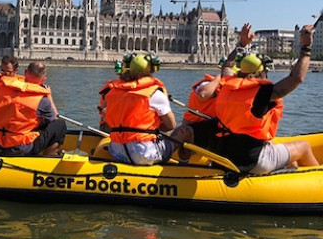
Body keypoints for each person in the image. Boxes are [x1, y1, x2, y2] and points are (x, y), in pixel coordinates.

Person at [214, 23, 319, 174]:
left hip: (225, 154)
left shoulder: (227, 84)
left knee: (290, 157)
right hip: (253, 160)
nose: (266, 75)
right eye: (264, 71)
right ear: (256, 74)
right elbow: (296, 78)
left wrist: (242, 44)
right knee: (304, 146)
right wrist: (306, 47)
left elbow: (227, 65)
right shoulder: (263, 94)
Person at [172, 23, 255, 160]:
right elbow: (203, 94)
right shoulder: (209, 83)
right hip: (195, 132)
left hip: (215, 134)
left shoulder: (238, 91)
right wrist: (219, 77)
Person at [104, 53, 177, 165]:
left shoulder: (113, 92)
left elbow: (108, 123)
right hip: (144, 153)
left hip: (117, 151)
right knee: (179, 135)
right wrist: (151, 127)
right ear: (152, 70)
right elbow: (171, 125)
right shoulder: (153, 93)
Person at [0, 61, 67, 156]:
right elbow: (54, 117)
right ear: (43, 79)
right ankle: (48, 156)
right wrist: (49, 95)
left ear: (25, 72)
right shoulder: (42, 99)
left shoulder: (2, 87)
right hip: (17, 147)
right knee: (60, 125)